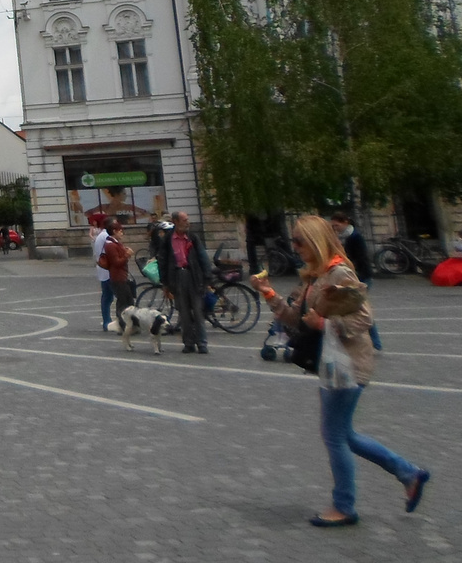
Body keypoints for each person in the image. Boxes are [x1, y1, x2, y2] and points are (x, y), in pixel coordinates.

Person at [252, 214, 429, 527]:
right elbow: (294, 319)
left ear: (316, 241)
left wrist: (325, 323)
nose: (294, 247)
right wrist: (268, 292)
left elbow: (364, 320)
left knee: (334, 436)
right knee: (344, 434)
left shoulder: (339, 273)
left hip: (348, 366)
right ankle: (408, 473)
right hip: (333, 364)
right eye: (293, 241)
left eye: (299, 241)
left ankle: (344, 505)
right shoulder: (314, 276)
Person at [156, 211, 212, 354]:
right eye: (184, 220)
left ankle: (202, 343)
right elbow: (162, 261)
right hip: (177, 277)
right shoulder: (168, 239)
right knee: (184, 313)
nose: (188, 223)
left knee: (198, 312)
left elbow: (202, 257)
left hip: (194, 276)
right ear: (175, 221)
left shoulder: (192, 237)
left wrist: (207, 278)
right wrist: (165, 283)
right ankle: (188, 343)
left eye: (187, 219)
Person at [329, 212, 381, 351]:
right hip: (355, 276)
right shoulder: (345, 237)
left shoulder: (355, 237)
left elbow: (361, 258)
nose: (336, 228)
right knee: (360, 307)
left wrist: (355, 273)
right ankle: (375, 342)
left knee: (360, 308)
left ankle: (375, 342)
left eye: (337, 225)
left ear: (345, 222)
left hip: (362, 277)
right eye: (333, 226)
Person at [98, 219, 134, 327]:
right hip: (118, 277)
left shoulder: (114, 243)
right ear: (114, 231)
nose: (122, 233)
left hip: (121, 275)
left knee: (128, 301)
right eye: (120, 231)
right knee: (123, 302)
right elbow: (116, 262)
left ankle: (128, 324)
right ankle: (123, 325)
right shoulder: (110, 245)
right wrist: (127, 255)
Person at [92, 219, 113, 332]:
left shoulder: (102, 235)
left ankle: (107, 320)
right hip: (107, 271)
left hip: (104, 270)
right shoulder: (105, 237)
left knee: (107, 296)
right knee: (108, 297)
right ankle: (107, 321)